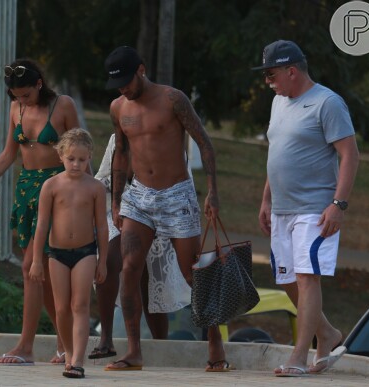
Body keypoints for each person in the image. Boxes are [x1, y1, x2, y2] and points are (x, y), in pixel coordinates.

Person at [102, 46, 226, 371]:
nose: (123, 89)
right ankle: (133, 352)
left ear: (141, 70)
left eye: (127, 81)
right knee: (129, 269)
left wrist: (212, 192)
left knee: (191, 272)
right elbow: (121, 152)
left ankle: (214, 340)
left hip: (177, 195)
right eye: (118, 84)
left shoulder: (173, 99)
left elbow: (204, 142)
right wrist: (117, 200)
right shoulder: (118, 107)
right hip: (139, 196)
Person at [253, 40, 358, 376]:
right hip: (282, 208)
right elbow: (277, 151)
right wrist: (267, 198)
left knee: (306, 278)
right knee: (286, 278)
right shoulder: (278, 102)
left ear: (291, 70)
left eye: (271, 74)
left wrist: (338, 205)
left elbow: (349, 155)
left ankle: (300, 355)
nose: (268, 81)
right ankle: (326, 333)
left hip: (315, 207)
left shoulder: (328, 103)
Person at [0, 59, 82, 365]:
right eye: (16, 96)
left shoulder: (63, 106)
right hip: (26, 189)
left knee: (30, 267)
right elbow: (10, 153)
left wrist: (80, 192)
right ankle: (63, 344)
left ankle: (25, 346)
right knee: (40, 271)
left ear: (39, 84)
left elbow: (81, 151)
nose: (21, 100)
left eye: (26, 95)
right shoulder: (15, 109)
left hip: (56, 189)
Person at [89, 134, 191, 359]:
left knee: (149, 283)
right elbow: (104, 177)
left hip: (160, 212)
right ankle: (106, 338)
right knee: (109, 259)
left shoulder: (169, 139)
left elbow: (181, 185)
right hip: (120, 210)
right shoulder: (117, 138)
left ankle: (160, 346)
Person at [29, 128, 108, 378]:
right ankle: (69, 352)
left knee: (80, 305)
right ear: (61, 155)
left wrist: (102, 260)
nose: (76, 164)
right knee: (62, 308)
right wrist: (35, 261)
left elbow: (102, 226)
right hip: (57, 253)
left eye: (82, 160)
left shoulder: (95, 188)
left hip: (86, 252)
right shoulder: (51, 185)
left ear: (90, 158)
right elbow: (42, 224)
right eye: (71, 158)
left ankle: (78, 360)